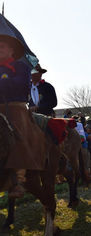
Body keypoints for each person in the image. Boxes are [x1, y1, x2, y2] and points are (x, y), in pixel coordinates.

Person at [0, 15, 47, 199]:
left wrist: (3, 84)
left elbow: (21, 84)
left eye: (2, 47)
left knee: (17, 133)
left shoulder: (21, 66)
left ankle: (18, 179)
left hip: (15, 107)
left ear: (11, 50)